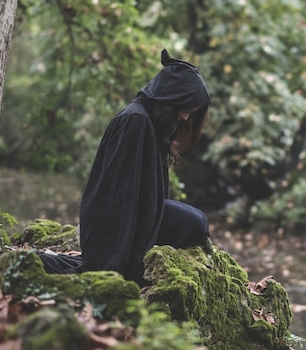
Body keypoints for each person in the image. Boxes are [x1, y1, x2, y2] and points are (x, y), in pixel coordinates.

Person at [39, 49, 212, 286]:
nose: (185, 117)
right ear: (170, 99)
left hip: (141, 216)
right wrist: (122, 258)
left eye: (191, 112)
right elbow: (117, 196)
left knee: (196, 222)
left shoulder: (149, 123)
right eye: (185, 108)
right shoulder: (135, 120)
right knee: (195, 222)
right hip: (116, 223)